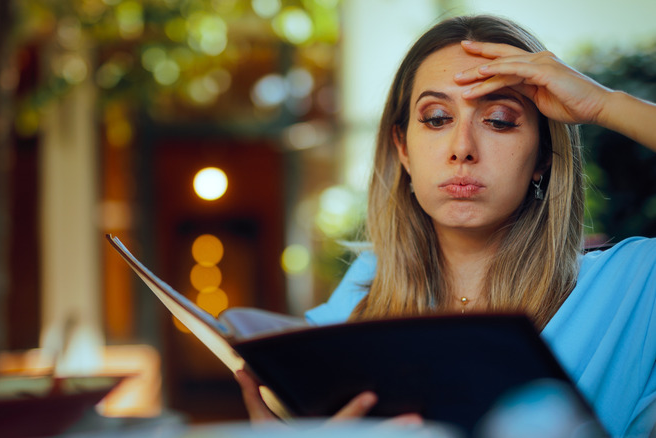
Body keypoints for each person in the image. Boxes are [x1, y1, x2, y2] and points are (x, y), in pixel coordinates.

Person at [235, 14, 656, 438]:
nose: (462, 149)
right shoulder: (366, 288)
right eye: (437, 118)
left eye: (499, 119)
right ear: (403, 148)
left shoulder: (637, 284)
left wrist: (605, 104)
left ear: (544, 157)